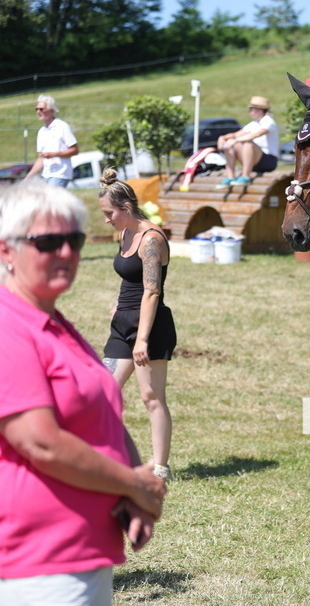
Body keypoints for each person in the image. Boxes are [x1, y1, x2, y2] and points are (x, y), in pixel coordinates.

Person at [0, 180, 166, 604]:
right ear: (6, 251)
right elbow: (42, 442)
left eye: (73, 240)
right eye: (48, 242)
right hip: (36, 564)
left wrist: (129, 495)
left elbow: (103, 417)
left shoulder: (56, 325)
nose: (67, 253)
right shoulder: (9, 327)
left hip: (81, 555)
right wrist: (132, 482)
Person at [98, 169, 175, 482]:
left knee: (151, 396)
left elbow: (152, 291)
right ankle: (111, 456)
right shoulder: (125, 233)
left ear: (125, 209)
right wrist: (118, 304)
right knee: (103, 392)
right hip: (122, 325)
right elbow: (129, 279)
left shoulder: (151, 239)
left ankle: (160, 468)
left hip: (150, 326)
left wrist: (141, 340)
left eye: (108, 213)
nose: (106, 220)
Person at [215, 95, 279, 186]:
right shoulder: (254, 124)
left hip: (268, 161)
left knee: (248, 144)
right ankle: (230, 176)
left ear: (258, 109)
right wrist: (222, 138)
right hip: (254, 160)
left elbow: (256, 135)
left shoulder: (268, 121)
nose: (250, 112)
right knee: (230, 145)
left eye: (251, 109)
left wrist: (235, 140)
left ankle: (245, 176)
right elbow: (235, 134)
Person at [25, 94, 79, 188]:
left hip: (60, 174)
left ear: (51, 111)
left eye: (41, 109)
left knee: (52, 201)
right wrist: (28, 177)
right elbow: (41, 158)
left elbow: (75, 150)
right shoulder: (41, 131)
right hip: (46, 175)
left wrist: (54, 154)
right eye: (37, 109)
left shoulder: (62, 126)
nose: (38, 111)